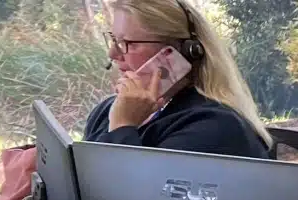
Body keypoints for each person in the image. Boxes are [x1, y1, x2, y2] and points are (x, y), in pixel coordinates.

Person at [86, 0, 271, 159]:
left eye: (128, 43)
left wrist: (122, 127)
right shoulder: (106, 112)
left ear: (175, 53)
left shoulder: (214, 126)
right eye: (114, 40)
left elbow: (134, 187)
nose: (113, 53)